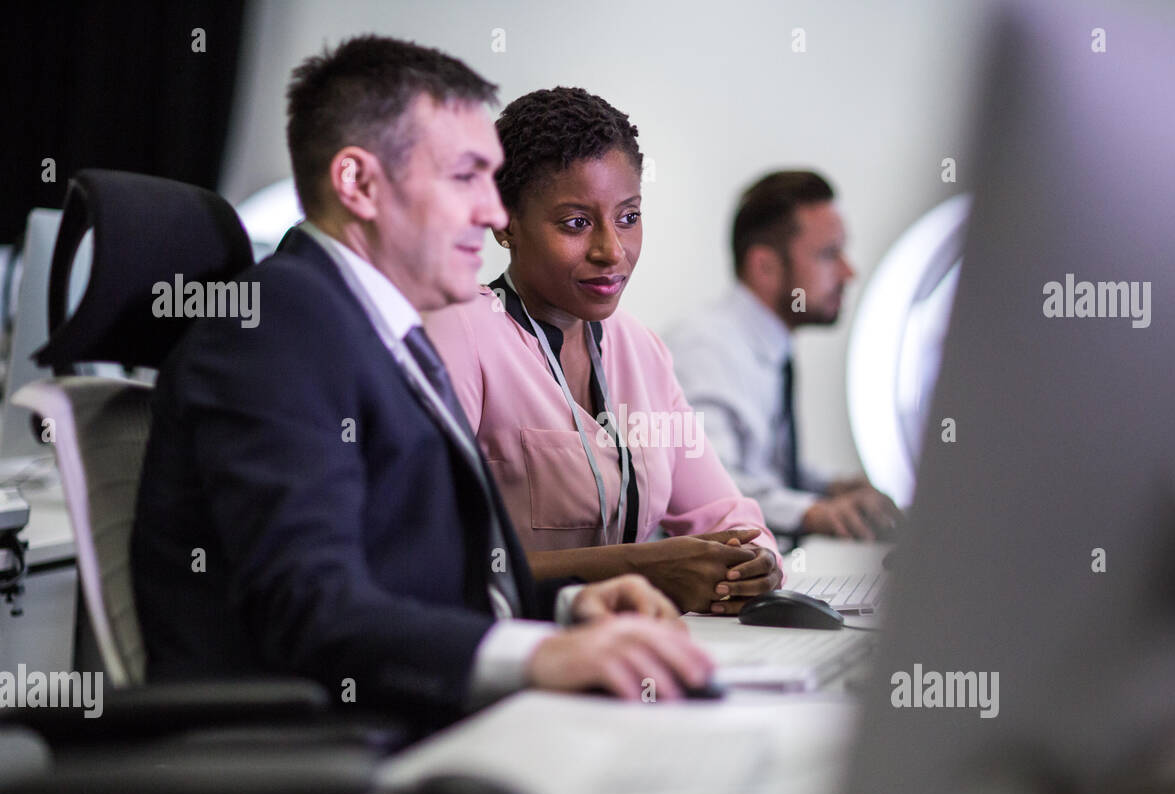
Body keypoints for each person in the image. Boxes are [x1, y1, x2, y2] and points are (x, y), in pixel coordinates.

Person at [131, 36, 713, 732]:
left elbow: (411, 577)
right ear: (360, 184)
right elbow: (313, 607)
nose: (495, 214)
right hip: (325, 763)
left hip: (423, 724)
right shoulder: (275, 331)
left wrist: (565, 611)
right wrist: (535, 658)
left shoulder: (385, 331)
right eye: (465, 178)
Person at [423, 87, 781, 616]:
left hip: (632, 658)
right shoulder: (460, 334)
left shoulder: (641, 350)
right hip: (507, 666)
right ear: (504, 223)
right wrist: (642, 568)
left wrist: (758, 562)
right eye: (576, 223)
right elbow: (434, 562)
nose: (611, 251)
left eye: (628, 217)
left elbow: (723, 514)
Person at [667, 171, 903, 542]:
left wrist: (832, 487)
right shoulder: (705, 350)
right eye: (829, 254)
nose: (848, 272)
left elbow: (763, 468)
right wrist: (812, 513)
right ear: (765, 267)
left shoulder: (767, 344)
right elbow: (708, 489)